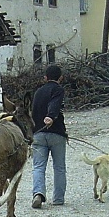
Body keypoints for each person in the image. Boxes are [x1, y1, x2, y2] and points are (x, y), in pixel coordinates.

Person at [31, 64, 68, 208]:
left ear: (45, 78)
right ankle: (58, 199)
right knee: (59, 167)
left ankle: (38, 194)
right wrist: (51, 117)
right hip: (56, 134)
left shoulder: (38, 92)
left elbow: (33, 113)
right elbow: (55, 104)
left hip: (38, 134)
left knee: (38, 166)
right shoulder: (58, 89)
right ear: (61, 78)